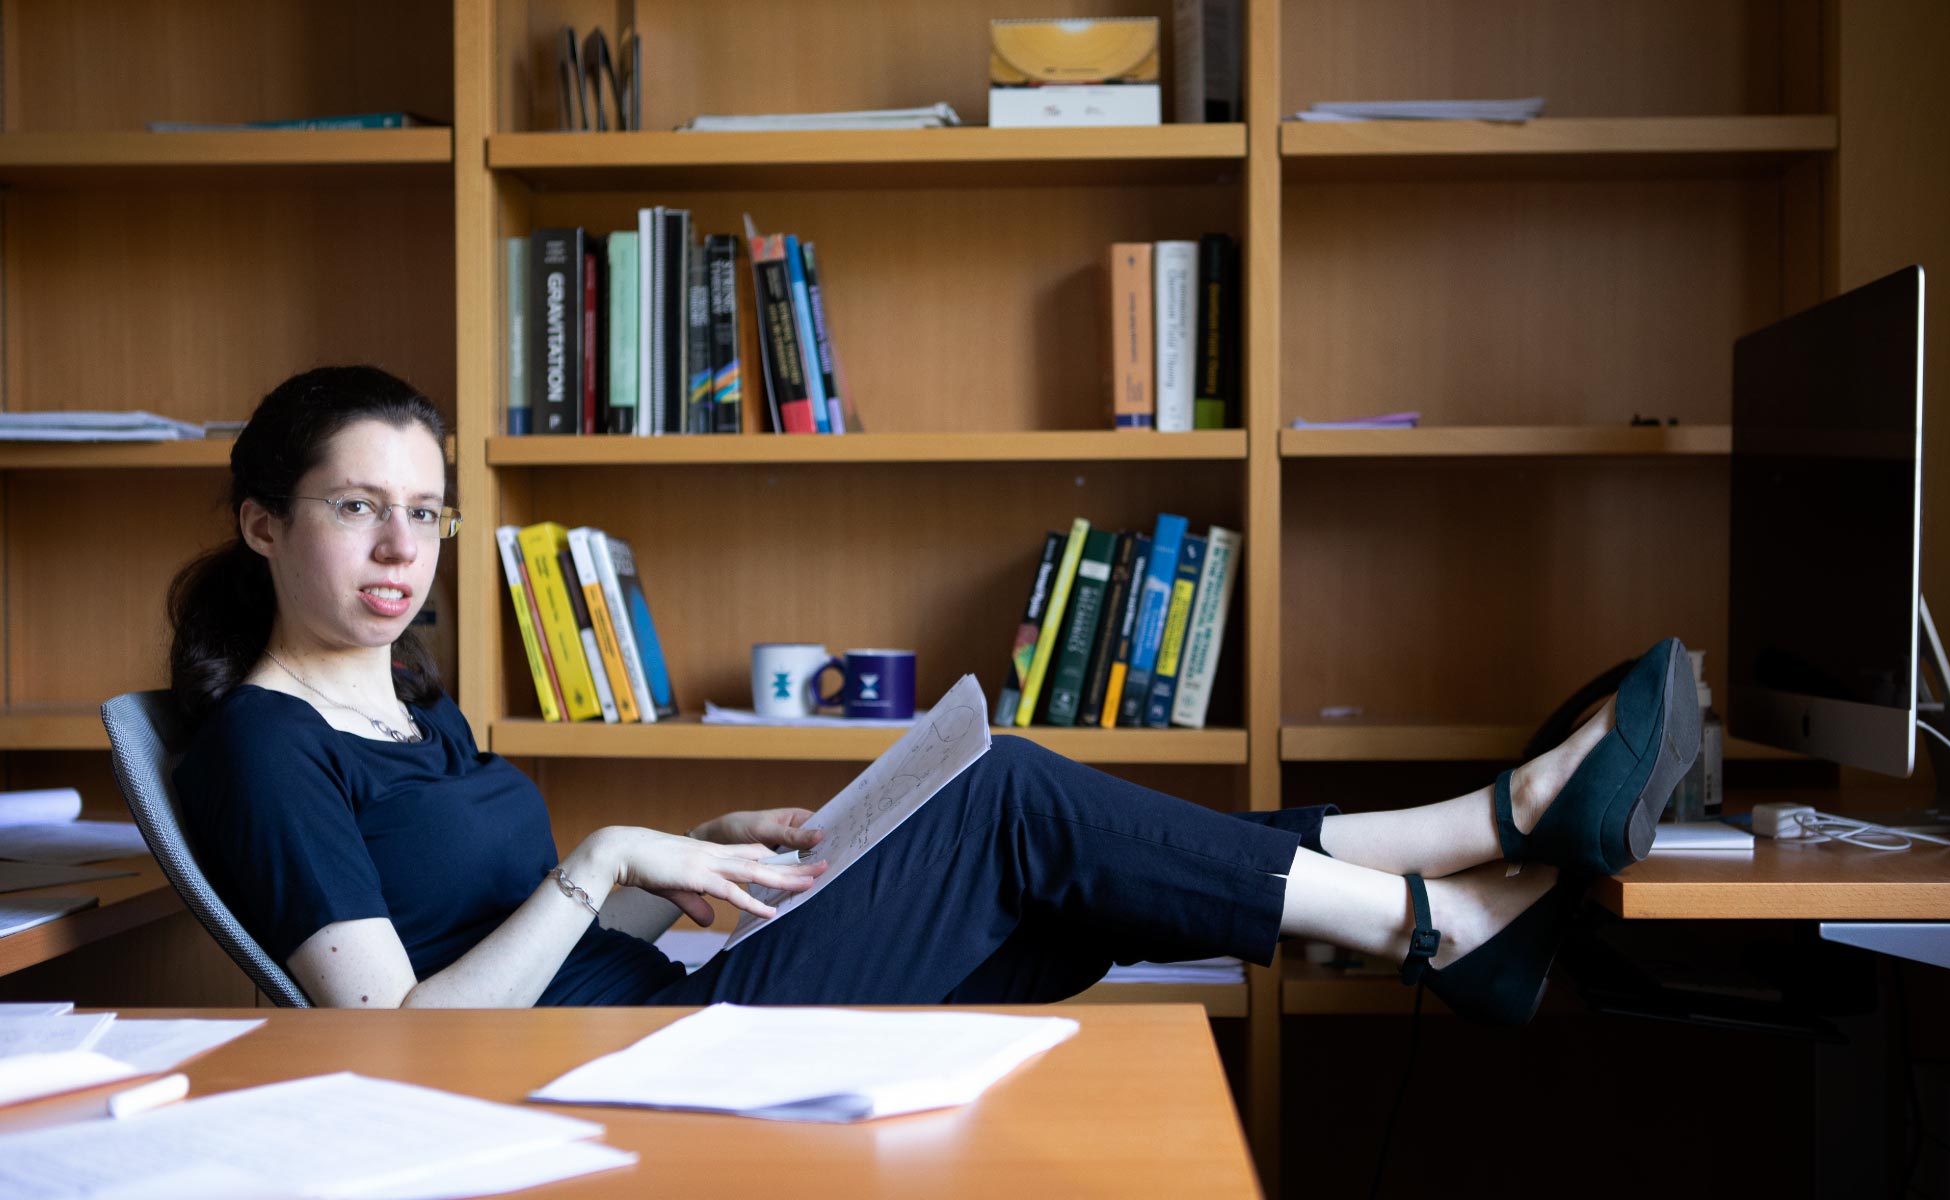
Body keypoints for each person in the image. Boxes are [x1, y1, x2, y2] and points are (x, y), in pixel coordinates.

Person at [168, 366, 1698, 1022]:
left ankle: (1469, 852)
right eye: (356, 507)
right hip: (646, 1055)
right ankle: (1452, 899)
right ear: (260, 523)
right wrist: (608, 860)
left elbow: (520, 933)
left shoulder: (412, 715)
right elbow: (394, 1032)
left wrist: (706, 853)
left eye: (425, 512)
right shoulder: (266, 747)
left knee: (1074, 866)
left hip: (666, 990)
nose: (400, 545)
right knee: (1017, 793)